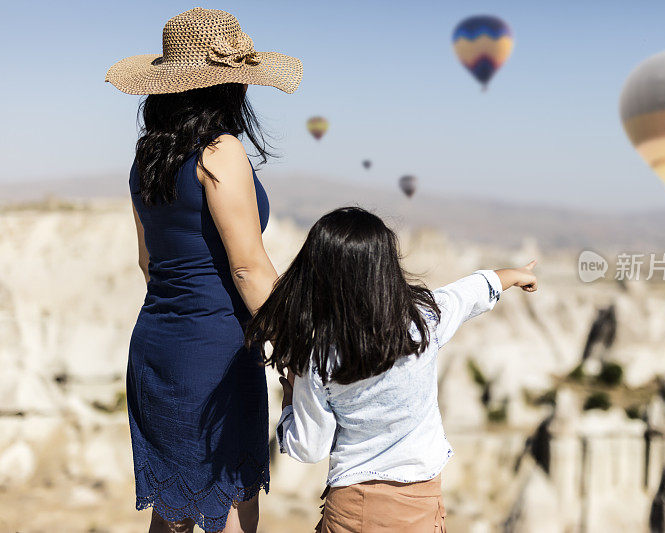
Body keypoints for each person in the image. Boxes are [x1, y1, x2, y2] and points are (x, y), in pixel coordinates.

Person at [105, 8, 302, 532]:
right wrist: (297, 344)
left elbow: (148, 262)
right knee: (232, 514)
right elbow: (248, 267)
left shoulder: (145, 159)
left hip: (156, 345)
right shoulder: (222, 152)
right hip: (215, 355)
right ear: (229, 87)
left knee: (173, 518)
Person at [245, 207, 538, 532]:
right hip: (421, 506)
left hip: (353, 509)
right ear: (385, 269)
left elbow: (309, 447)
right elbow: (468, 294)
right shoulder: (424, 321)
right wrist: (513, 275)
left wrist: (289, 397)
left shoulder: (320, 357)